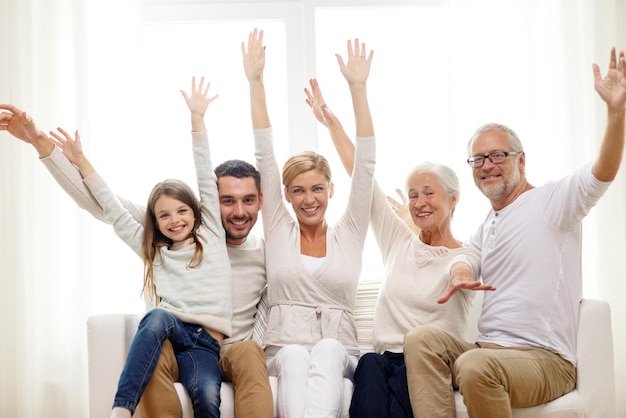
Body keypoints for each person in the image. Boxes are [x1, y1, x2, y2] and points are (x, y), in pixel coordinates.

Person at [403, 47, 626, 418]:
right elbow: (467, 256)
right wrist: (460, 271)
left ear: (521, 160)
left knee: (475, 366)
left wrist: (617, 112)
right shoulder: (489, 223)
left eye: (497, 156)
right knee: (421, 339)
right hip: (488, 349)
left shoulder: (553, 202)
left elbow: (602, 172)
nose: (487, 165)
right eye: (478, 159)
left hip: (546, 361)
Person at [0, 114, 273, 416]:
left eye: (247, 200)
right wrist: (41, 141)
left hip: (227, 348)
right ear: (205, 205)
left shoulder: (268, 253)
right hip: (177, 338)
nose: (238, 211)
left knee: (247, 353)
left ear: (260, 201)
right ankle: (123, 408)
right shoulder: (168, 236)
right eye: (227, 200)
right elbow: (104, 204)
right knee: (155, 341)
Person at [303, 78, 493, 418]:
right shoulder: (398, 240)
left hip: (429, 362)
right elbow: (361, 174)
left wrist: (461, 276)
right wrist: (332, 124)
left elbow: (461, 266)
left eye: (428, 192)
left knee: (405, 386)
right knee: (369, 367)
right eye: (413, 193)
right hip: (382, 358)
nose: (419, 202)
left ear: (453, 199)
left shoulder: (467, 254)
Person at [45, 76, 232, 418]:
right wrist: (81, 160)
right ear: (155, 223)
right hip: (171, 334)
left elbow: (205, 172)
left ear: (195, 211)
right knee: (158, 314)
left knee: (206, 397)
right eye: (164, 216)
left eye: (181, 211)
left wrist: (197, 119)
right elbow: (113, 210)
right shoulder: (154, 251)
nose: (174, 220)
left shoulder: (211, 236)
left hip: (206, 344)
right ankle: (121, 408)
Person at [242, 28, 375, 417]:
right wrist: (255, 81)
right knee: (297, 355)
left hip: (341, 352)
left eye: (317, 188)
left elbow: (365, 166)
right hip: (282, 350)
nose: (308, 199)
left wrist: (358, 90)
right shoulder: (280, 230)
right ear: (285, 195)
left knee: (329, 348)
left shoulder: (350, 233)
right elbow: (264, 153)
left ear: (331, 190)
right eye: (298, 191)